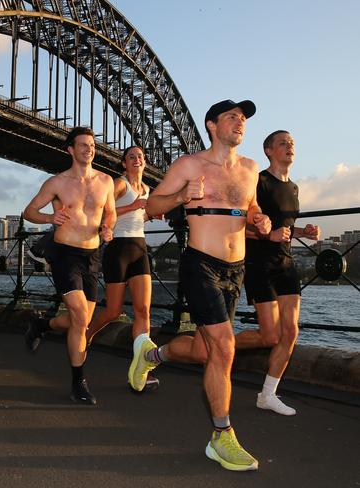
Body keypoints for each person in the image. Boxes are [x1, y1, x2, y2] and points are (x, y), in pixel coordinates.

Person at [143, 100, 271, 471]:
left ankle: (153, 355)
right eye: (232, 117)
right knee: (225, 348)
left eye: (243, 118)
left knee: (204, 351)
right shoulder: (189, 165)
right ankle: (221, 436)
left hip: (236, 268)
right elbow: (152, 206)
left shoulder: (249, 169)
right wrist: (182, 196)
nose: (240, 122)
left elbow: (251, 210)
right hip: (201, 264)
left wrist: (259, 220)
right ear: (212, 125)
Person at [23, 126, 116, 405]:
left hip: (92, 255)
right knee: (78, 314)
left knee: (83, 321)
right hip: (64, 254)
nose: (90, 149)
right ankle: (79, 383)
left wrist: (107, 228)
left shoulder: (106, 181)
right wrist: (50, 220)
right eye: (83, 145)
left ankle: (42, 324)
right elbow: (29, 211)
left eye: (92, 145)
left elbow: (109, 212)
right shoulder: (57, 183)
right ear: (71, 150)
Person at [236, 130, 320, 416]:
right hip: (259, 265)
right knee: (270, 336)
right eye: (283, 143)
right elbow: (237, 226)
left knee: (291, 331)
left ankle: (268, 394)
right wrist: (268, 236)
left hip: (286, 264)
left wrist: (303, 233)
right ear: (269, 150)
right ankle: (220, 344)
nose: (289, 147)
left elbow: (284, 229)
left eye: (292, 143)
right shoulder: (257, 182)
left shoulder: (294, 188)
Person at [85, 146, 160, 392]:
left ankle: (143, 367)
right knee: (113, 311)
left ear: (145, 162)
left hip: (139, 248)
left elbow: (139, 215)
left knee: (143, 310)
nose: (137, 159)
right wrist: (135, 205)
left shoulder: (148, 189)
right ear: (124, 164)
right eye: (131, 157)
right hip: (118, 248)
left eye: (140, 156)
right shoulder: (119, 184)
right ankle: (85, 337)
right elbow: (103, 211)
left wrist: (150, 214)